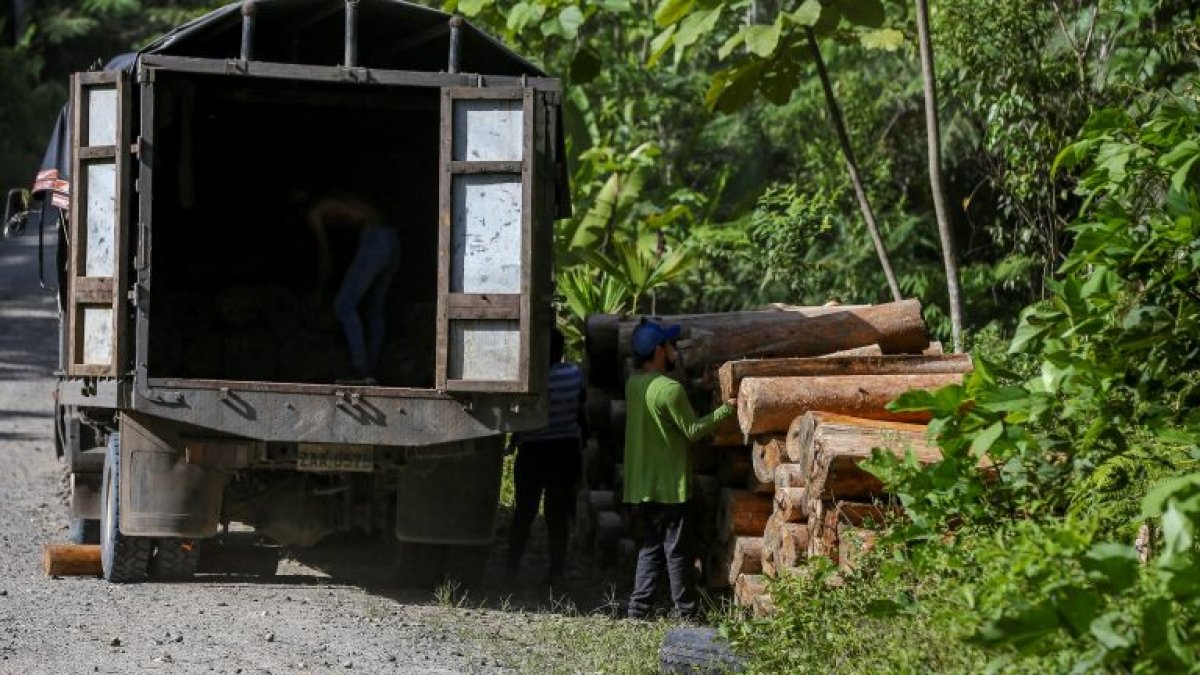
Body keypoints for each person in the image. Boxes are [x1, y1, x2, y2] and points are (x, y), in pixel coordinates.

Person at [623, 319, 735, 621]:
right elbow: (693, 430)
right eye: (671, 344)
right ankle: (686, 612)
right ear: (659, 350)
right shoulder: (669, 389)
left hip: (641, 486)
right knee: (677, 551)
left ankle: (638, 610)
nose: (676, 349)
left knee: (651, 547)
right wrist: (728, 409)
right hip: (670, 486)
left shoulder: (634, 385)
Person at [506, 329, 585, 586]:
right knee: (557, 513)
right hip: (565, 450)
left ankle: (511, 567)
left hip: (533, 452)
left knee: (524, 512)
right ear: (561, 351)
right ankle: (556, 571)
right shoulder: (574, 374)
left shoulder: (529, 380)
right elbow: (582, 411)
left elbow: (517, 417)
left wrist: (513, 441)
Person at [302, 192, 401, 384]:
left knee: (343, 306)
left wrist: (319, 292)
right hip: (392, 240)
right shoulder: (344, 203)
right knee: (374, 311)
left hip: (374, 242)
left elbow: (326, 257)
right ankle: (372, 369)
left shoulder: (315, 212)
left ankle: (359, 368)